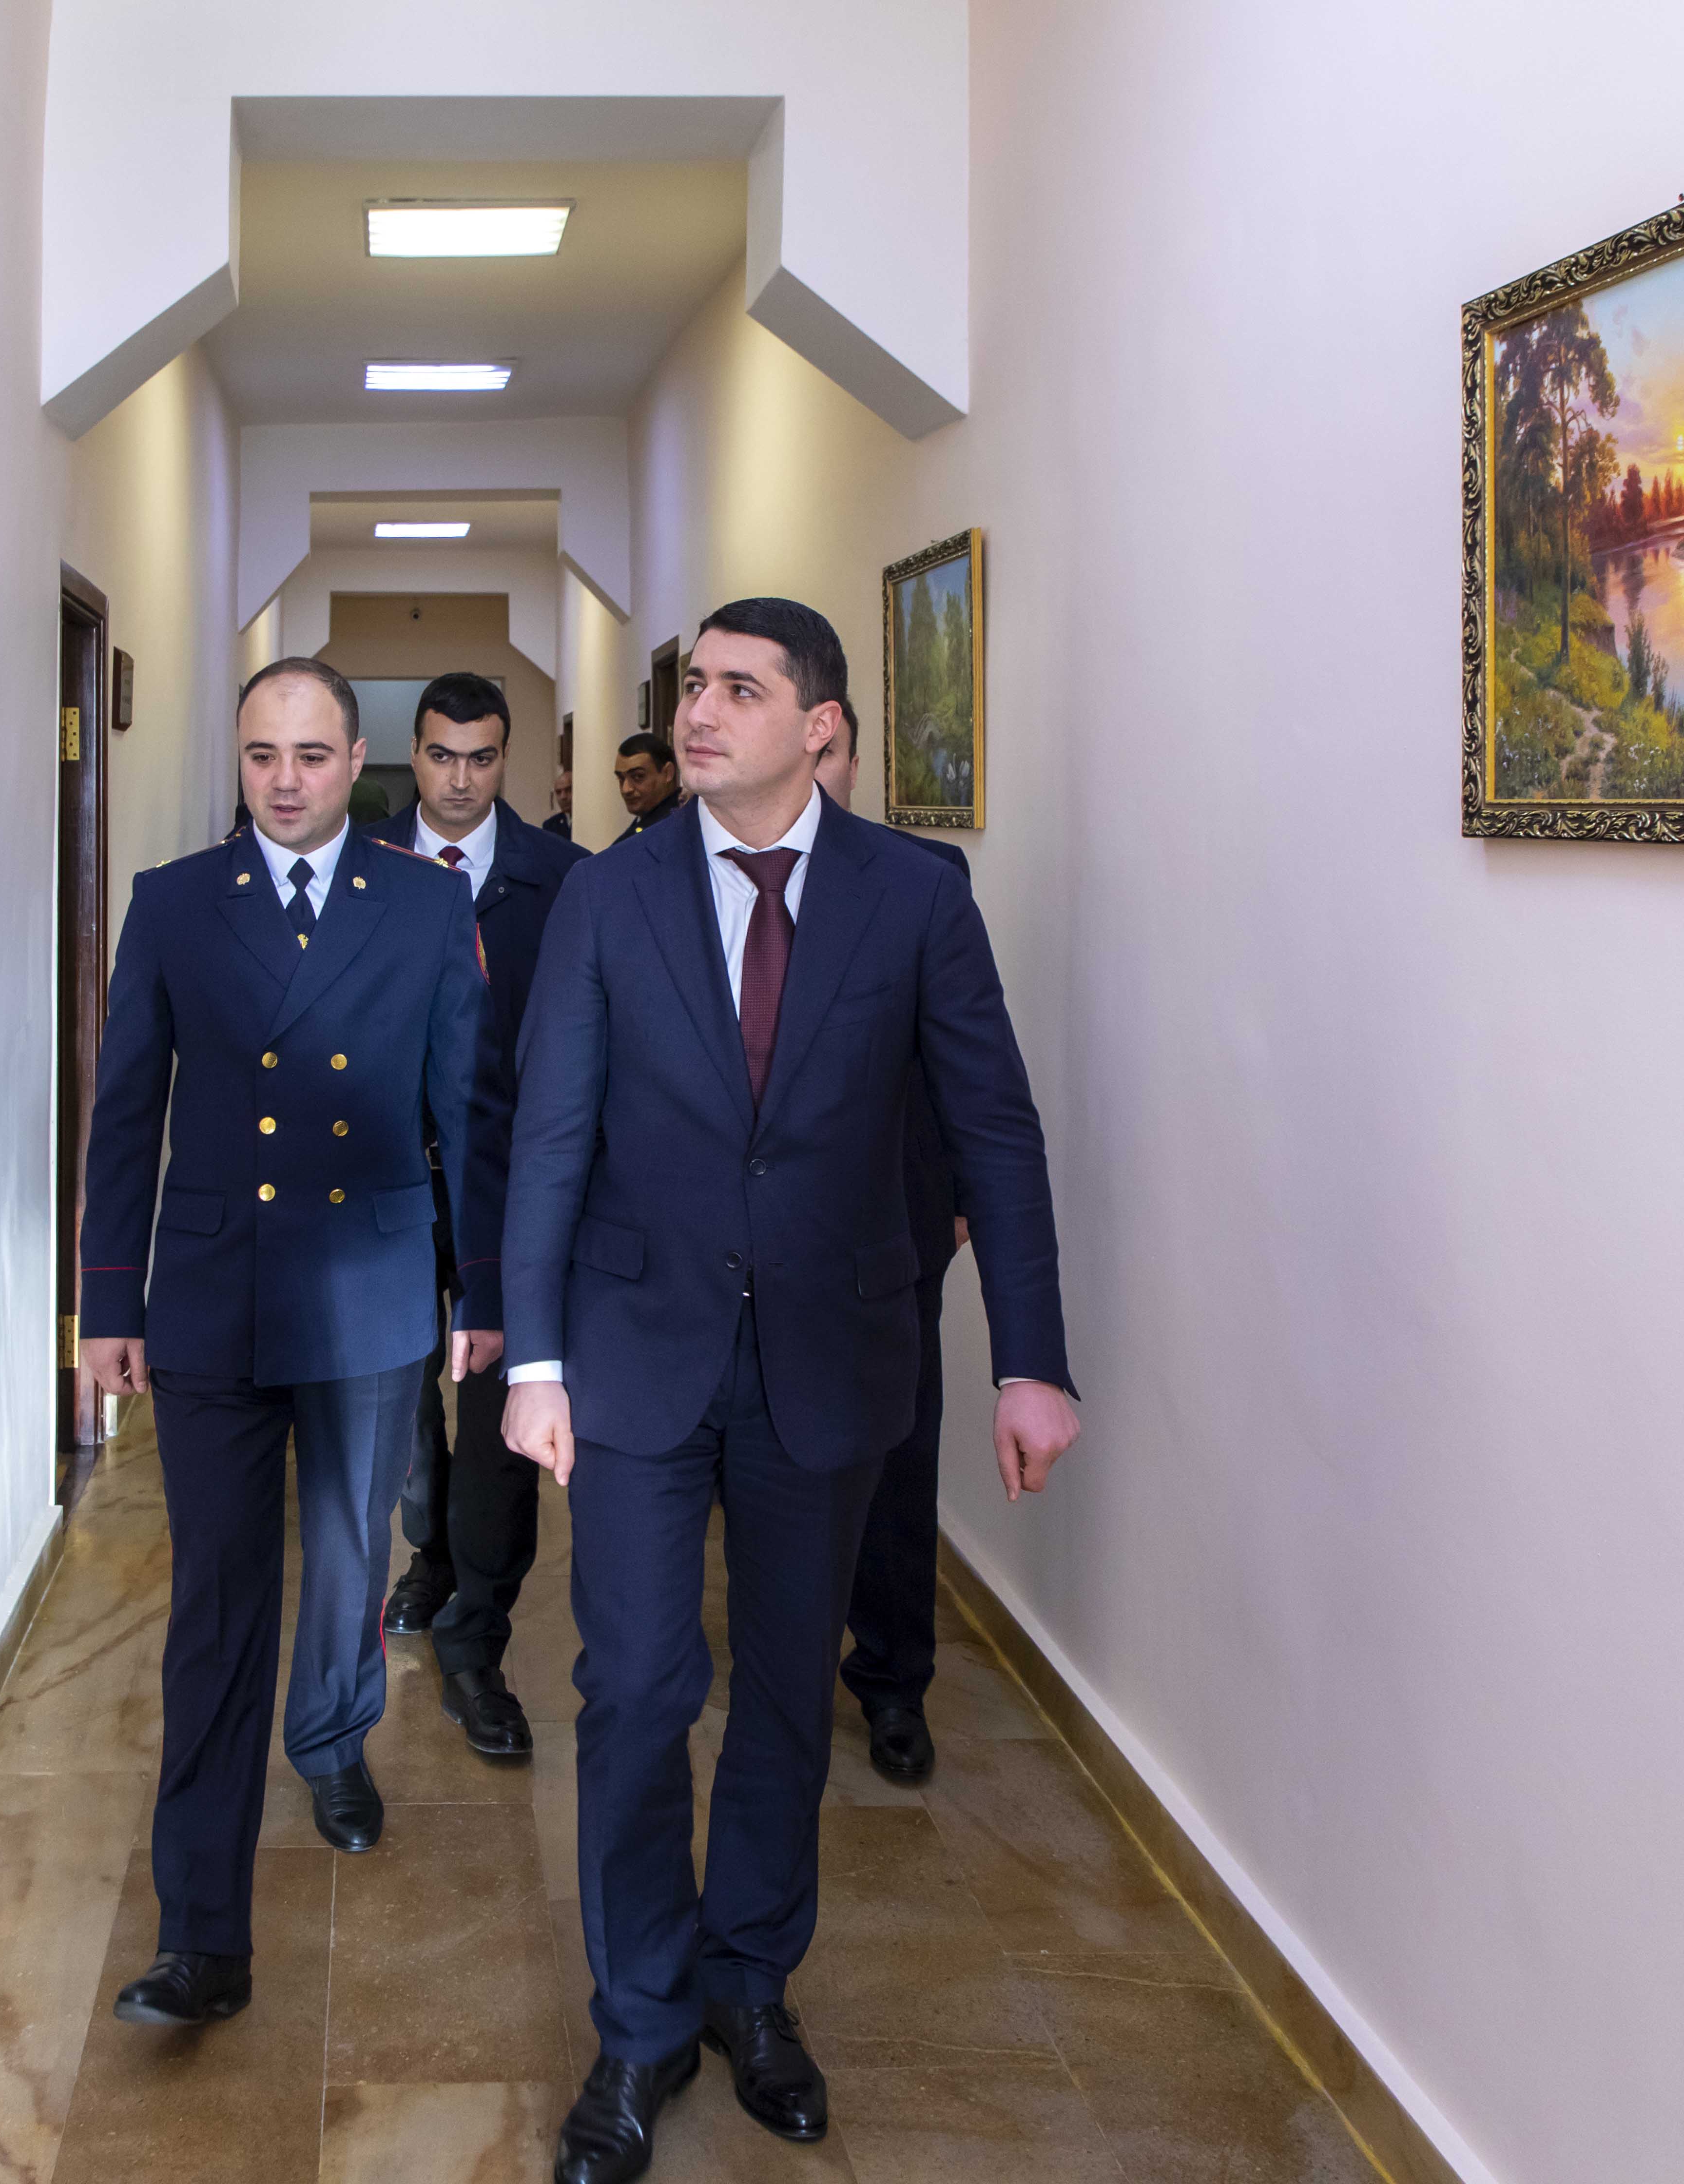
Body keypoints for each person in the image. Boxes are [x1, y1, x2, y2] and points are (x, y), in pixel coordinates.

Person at [497, 599, 1080, 2183]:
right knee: (635, 1689)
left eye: (740, 690)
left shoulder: (914, 896)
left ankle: (749, 1982)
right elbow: (551, 1130)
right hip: (636, 1351)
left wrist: (1030, 1355)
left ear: (819, 726)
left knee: (781, 1693)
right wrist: (534, 1357)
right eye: (696, 683)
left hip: (831, 1355)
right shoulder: (611, 895)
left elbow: (996, 1127)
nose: (701, 711)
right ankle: (639, 2025)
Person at [78, 657, 492, 2031]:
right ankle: (201, 1933)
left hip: (368, 1284)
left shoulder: (424, 905)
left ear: (358, 760)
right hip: (213, 1293)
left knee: (351, 1553)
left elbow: (465, 1110)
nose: (285, 780)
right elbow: (127, 1108)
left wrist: (485, 1292)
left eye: (312, 755)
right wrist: (107, 1301)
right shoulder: (174, 902)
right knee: (216, 1599)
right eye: (262, 755)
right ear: (240, 759)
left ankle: (330, 1738)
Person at [371, 670, 589, 1757]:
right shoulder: (364, 866)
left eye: (483, 758)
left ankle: (477, 1639)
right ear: (412, 752)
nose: (460, 780)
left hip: (516, 1187)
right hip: (390, 1181)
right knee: (407, 1390)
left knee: (503, 1400)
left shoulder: (565, 880)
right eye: (441, 755)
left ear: (509, 758)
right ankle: (429, 1554)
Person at [814, 701, 968, 1786]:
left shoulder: (927, 878)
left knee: (900, 1459)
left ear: (857, 765)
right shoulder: (680, 880)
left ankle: (894, 1680)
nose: (811, 773)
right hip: (744, 1232)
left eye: (829, 756)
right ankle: (779, 1643)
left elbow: (960, 1056)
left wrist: (954, 1196)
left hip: (895, 1222)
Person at [612, 730, 683, 839]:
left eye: (638, 777)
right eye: (621, 779)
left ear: (668, 773)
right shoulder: (646, 823)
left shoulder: (677, 825)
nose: (626, 789)